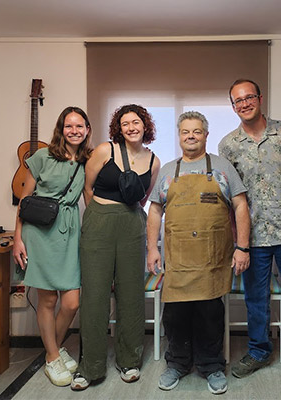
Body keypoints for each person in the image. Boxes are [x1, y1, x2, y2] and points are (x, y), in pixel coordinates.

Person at [218, 79, 281, 385]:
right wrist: (238, 241)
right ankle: (259, 351)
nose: (245, 103)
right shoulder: (228, 145)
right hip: (253, 237)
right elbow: (228, 197)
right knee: (255, 299)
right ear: (233, 106)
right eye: (238, 100)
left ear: (260, 98)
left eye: (249, 97)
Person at [146, 111, 250, 395]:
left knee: (209, 314)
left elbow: (240, 206)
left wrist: (242, 247)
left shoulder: (222, 167)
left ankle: (212, 366)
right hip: (178, 259)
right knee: (176, 316)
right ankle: (177, 364)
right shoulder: (168, 170)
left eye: (196, 131)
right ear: (179, 136)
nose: (191, 136)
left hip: (212, 259)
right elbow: (155, 210)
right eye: (185, 132)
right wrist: (152, 248)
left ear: (206, 134)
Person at [71, 104, 160, 391]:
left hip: (132, 225)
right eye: (125, 123)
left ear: (145, 126)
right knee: (95, 294)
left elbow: (145, 197)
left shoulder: (154, 161)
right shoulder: (104, 151)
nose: (131, 127)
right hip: (99, 223)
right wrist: (100, 216)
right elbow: (88, 187)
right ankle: (90, 367)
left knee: (131, 293)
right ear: (118, 129)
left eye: (136, 122)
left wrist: (128, 217)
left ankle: (130, 361)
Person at [13, 106, 93, 386]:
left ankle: (54, 352)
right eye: (69, 126)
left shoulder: (88, 160)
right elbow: (25, 199)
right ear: (62, 128)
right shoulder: (42, 156)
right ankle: (52, 356)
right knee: (48, 300)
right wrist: (17, 239)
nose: (75, 131)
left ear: (87, 130)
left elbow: (90, 199)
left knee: (71, 302)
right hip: (41, 232)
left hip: (70, 232)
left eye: (80, 126)